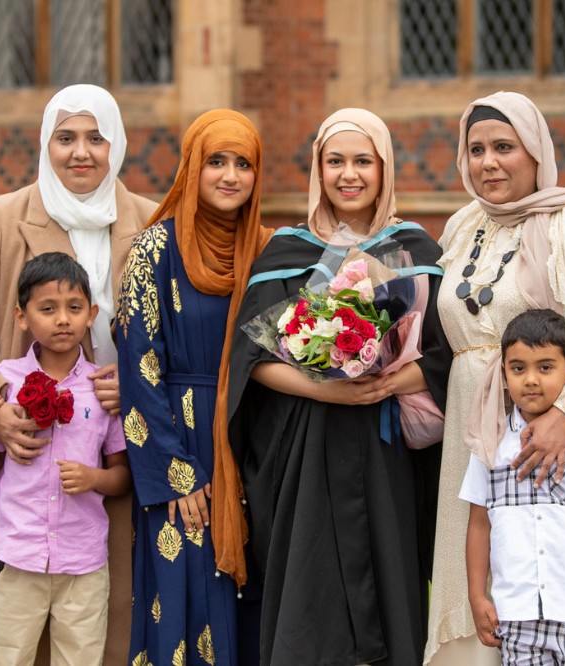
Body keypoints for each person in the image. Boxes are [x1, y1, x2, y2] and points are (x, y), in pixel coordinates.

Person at [227, 108, 450, 665]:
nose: (349, 175)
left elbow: (450, 352)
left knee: (390, 572)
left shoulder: (416, 249)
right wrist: (326, 390)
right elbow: (251, 360)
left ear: (384, 168)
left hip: (387, 445)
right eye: (335, 161)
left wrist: (391, 378)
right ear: (317, 170)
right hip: (307, 442)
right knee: (312, 582)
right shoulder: (285, 252)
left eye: (363, 161)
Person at [426, 91, 565, 666]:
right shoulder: (461, 226)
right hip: (475, 434)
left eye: (504, 147)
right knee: (482, 572)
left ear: (536, 151)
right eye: (475, 150)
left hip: (564, 433)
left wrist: (562, 418)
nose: (488, 162)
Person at [0, 84, 157, 665]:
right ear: (46, 143)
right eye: (65, 138)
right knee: (9, 621)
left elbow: (171, 337)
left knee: (99, 606)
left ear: (116, 143)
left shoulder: (150, 221)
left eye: (95, 137)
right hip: (22, 448)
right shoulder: (3, 216)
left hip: (110, 441)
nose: (80, 152)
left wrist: (136, 386)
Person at [117, 109, 271, 666]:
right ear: (192, 167)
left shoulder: (271, 252)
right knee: (181, 599)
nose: (231, 176)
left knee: (253, 599)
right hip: (178, 445)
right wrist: (177, 473)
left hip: (251, 447)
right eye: (216, 162)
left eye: (244, 164)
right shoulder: (153, 250)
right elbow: (140, 369)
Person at [0, 252, 131, 665]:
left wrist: (93, 479)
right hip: (17, 553)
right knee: (7, 657)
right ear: (22, 317)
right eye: (48, 309)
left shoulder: (102, 389)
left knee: (81, 658)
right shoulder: (5, 379)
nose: (62, 320)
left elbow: (122, 475)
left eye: (74, 309)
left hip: (83, 561)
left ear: (91, 314)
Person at [463, 308, 565, 666]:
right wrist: (477, 596)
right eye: (518, 368)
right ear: (504, 373)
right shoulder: (490, 444)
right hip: (517, 614)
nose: (531, 380)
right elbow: (479, 524)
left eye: (545, 367)